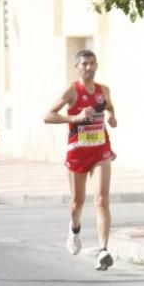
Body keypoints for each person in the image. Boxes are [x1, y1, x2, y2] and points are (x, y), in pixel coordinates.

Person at [43, 50, 117, 270]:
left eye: (92, 63)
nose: (88, 67)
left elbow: (110, 108)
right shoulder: (72, 91)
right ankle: (74, 228)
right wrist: (75, 118)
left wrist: (112, 116)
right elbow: (48, 115)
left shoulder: (104, 90)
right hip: (77, 152)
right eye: (84, 64)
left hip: (100, 149)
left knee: (102, 199)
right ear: (77, 67)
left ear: (96, 65)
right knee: (78, 202)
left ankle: (103, 249)